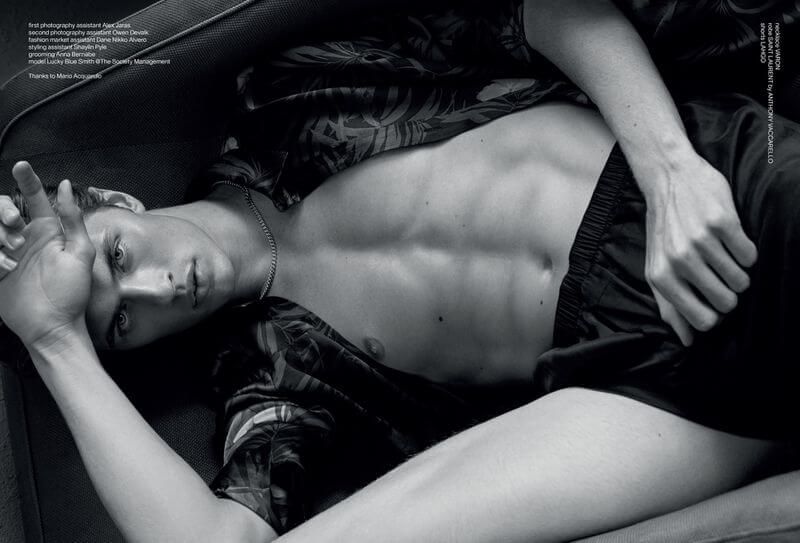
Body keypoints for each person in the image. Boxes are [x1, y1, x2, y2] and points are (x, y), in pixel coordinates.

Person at [0, 1, 796, 541]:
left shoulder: (284, 100)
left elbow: (539, 10)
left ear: (118, 201)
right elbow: (214, 535)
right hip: (633, 376)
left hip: (685, 188)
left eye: (118, 256)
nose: (159, 289)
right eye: (123, 322)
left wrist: (668, 168)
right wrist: (55, 340)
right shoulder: (270, 368)